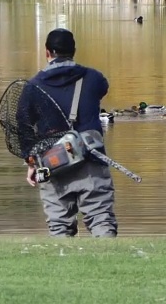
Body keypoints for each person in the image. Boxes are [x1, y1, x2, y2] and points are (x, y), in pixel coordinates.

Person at [16, 28, 117, 237]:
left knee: (59, 226)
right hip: (91, 161)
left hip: (52, 164)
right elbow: (102, 89)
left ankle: (63, 267)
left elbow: (23, 127)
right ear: (74, 50)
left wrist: (31, 162)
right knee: (101, 219)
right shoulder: (94, 78)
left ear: (47, 52)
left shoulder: (33, 87)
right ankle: (111, 264)